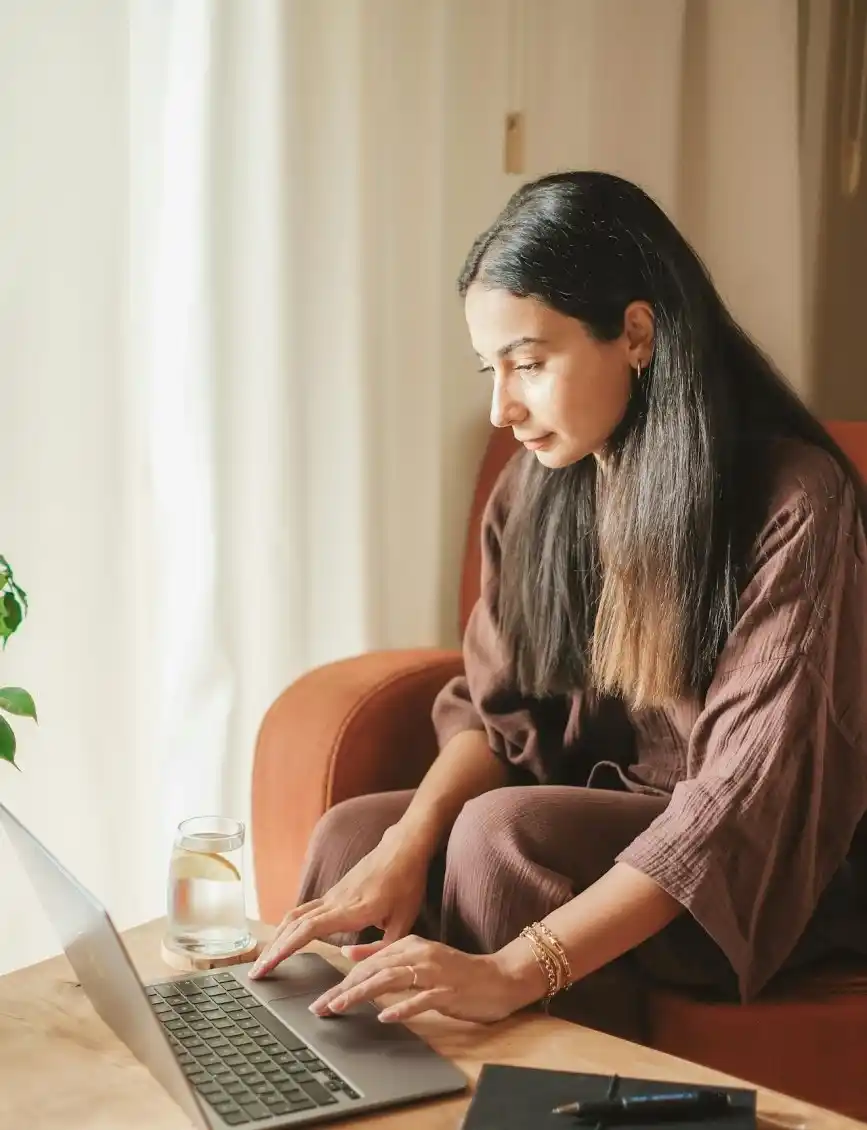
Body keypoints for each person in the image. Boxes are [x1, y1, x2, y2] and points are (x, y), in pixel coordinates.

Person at [250, 171, 867, 1039]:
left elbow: (736, 805)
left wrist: (510, 970)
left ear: (636, 334)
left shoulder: (792, 503)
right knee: (361, 833)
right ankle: (326, 1090)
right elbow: (498, 720)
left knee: (508, 832)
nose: (503, 407)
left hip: (753, 870)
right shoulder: (532, 492)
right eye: (491, 369)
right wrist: (404, 844)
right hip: (593, 820)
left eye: (529, 364)